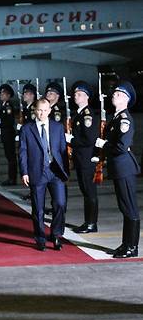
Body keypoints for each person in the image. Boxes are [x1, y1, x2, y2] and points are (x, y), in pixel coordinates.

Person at [95, 81, 140, 258]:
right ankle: (125, 244)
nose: (114, 95)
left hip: (124, 167)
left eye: (119, 94)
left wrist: (104, 145)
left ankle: (132, 247)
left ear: (126, 100)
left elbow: (121, 146)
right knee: (124, 207)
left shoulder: (125, 119)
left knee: (129, 208)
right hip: (118, 168)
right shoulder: (116, 118)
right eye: (114, 93)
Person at [18, 98, 69, 251]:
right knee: (38, 208)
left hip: (55, 172)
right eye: (39, 110)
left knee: (60, 203)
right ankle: (40, 237)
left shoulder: (58, 127)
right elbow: (22, 152)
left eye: (45, 110)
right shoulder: (27, 129)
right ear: (35, 110)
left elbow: (62, 150)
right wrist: (24, 171)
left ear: (49, 111)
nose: (42, 113)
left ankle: (56, 234)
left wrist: (65, 171)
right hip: (37, 171)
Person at [65, 82, 99, 233]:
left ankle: (91, 223)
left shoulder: (87, 115)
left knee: (89, 191)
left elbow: (89, 139)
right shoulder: (78, 113)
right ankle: (88, 222)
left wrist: (71, 140)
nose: (75, 96)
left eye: (79, 94)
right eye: (75, 94)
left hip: (86, 159)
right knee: (85, 191)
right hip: (80, 158)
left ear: (87, 97)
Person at [0, 84, 18, 186]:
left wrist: (0, 123)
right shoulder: (3, 105)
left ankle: (12, 178)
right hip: (5, 133)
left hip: (8, 134)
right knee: (8, 156)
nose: (1, 95)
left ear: (8, 95)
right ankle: (10, 177)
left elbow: (9, 121)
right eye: (1, 93)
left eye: (3, 93)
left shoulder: (8, 106)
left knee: (11, 157)